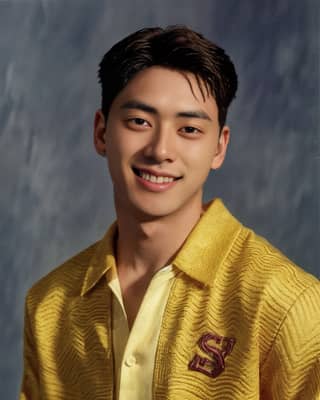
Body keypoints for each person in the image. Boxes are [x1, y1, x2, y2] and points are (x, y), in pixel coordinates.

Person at [20, 26, 320, 400]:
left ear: (219, 148)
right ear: (101, 132)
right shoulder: (50, 306)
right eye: (139, 122)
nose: (161, 149)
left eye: (189, 129)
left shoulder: (286, 305)